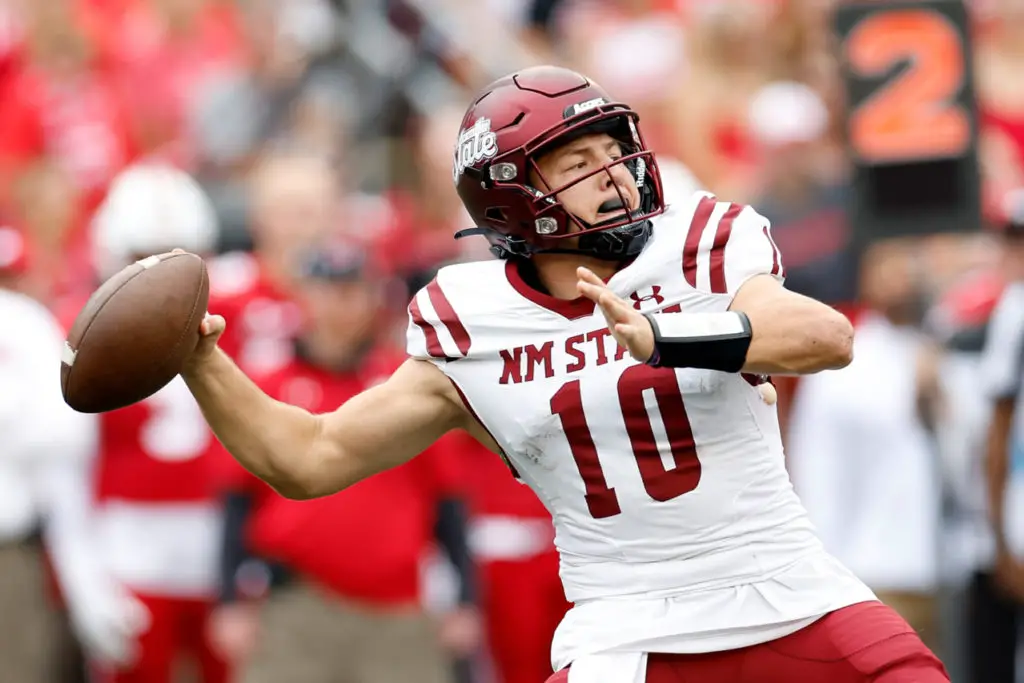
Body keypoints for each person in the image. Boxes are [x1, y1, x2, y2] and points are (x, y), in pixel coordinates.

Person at [178, 66, 948, 682]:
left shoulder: (700, 244)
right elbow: (307, 457)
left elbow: (824, 335)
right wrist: (198, 358)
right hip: (625, 625)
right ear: (515, 197)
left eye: (614, 150)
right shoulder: (467, 317)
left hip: (787, 588)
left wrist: (664, 335)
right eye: (581, 162)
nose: (615, 174)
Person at [208, 242, 481, 683]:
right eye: (329, 290)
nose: (341, 304)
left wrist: (467, 599)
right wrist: (227, 600)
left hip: (397, 609)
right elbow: (236, 502)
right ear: (303, 296)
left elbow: (448, 501)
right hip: (297, 603)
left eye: (353, 290)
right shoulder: (270, 385)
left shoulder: (406, 382)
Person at [49, 164, 231, 683]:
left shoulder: (238, 319)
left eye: (180, 258)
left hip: (216, 553)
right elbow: (63, 473)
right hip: (127, 552)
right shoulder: (79, 336)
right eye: (141, 259)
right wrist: (85, 580)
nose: (160, 278)